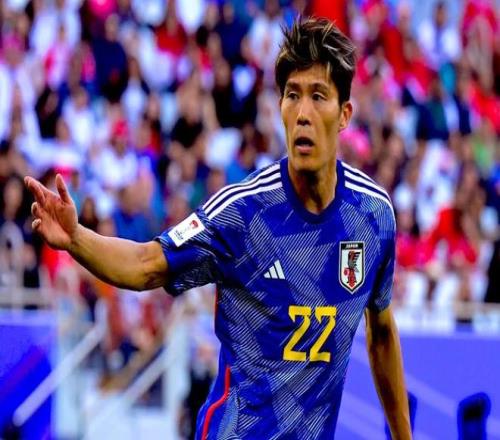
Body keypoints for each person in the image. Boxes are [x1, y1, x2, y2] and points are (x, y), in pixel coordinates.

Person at [25, 17, 411, 439]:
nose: (303, 114)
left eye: (318, 96)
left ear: (344, 114)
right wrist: (77, 239)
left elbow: (382, 332)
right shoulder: (242, 212)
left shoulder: (372, 216)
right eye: (292, 95)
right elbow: (146, 264)